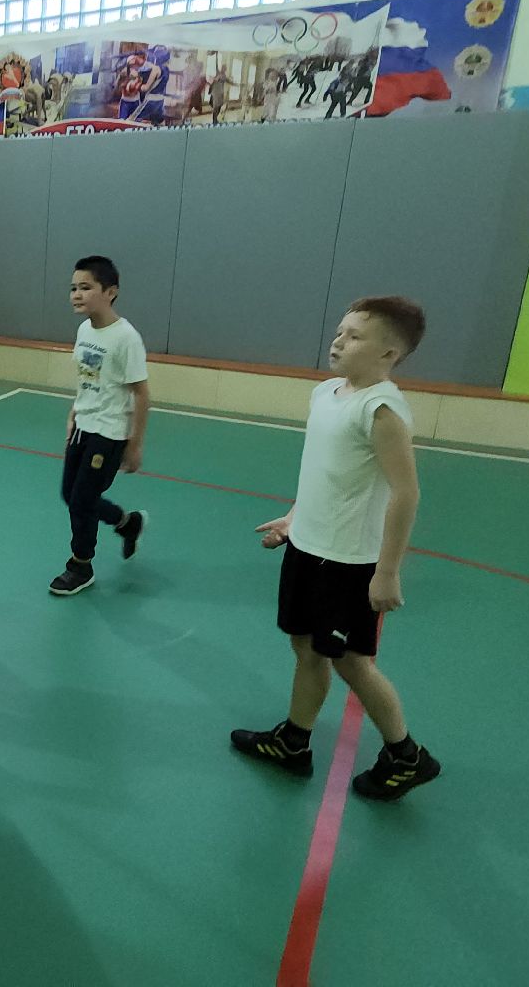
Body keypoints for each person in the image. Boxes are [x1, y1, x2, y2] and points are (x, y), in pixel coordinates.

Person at [230, 296, 441, 802]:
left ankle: (407, 755)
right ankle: (294, 742)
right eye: (340, 330)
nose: (338, 341)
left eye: (355, 336)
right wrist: (293, 518)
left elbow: (406, 492)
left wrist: (387, 571)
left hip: (349, 563)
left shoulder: (381, 410)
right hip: (308, 549)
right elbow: (324, 472)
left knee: (350, 661)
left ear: (389, 354)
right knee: (304, 646)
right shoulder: (326, 393)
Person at [49, 256, 149, 596]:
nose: (76, 294)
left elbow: (141, 393)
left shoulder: (125, 338)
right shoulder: (84, 329)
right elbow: (88, 377)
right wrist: (74, 411)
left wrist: (134, 444)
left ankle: (81, 565)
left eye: (86, 287)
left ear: (111, 292)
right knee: (71, 495)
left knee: (82, 499)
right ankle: (127, 522)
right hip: (84, 425)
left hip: (109, 433)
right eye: (73, 288)